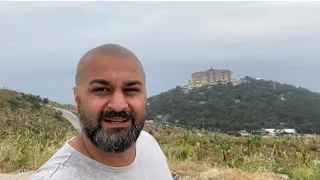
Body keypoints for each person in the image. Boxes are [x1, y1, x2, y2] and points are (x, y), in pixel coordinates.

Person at [31, 44, 173, 180]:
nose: (118, 106)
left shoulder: (148, 143)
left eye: (131, 90)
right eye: (101, 90)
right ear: (77, 98)